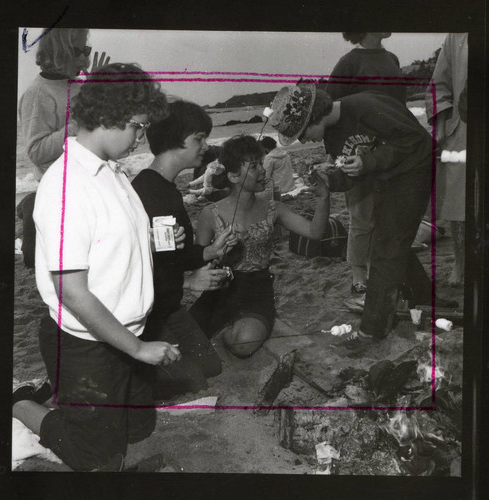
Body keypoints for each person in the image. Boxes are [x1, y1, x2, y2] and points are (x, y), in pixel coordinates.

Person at [12, 63, 180, 472]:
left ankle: (71, 404)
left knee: (138, 429)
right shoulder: (68, 186)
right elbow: (72, 291)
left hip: (125, 333)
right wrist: (139, 349)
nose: (142, 137)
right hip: (86, 342)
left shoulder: (111, 171)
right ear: (108, 117)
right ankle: (21, 405)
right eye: (139, 127)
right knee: (97, 461)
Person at [267, 82, 457, 349]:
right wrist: (329, 178)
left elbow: (416, 141)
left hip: (415, 171)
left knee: (386, 247)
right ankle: (424, 297)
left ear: (314, 117)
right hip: (386, 178)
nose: (303, 141)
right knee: (387, 238)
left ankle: (372, 331)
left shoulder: (366, 108)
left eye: (302, 133)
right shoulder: (331, 135)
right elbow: (351, 177)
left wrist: (368, 163)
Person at [189, 135, 329, 358]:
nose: (263, 171)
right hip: (220, 290)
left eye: (261, 163)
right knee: (185, 341)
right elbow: (197, 261)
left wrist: (323, 198)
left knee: (243, 344)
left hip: (258, 289)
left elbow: (315, 232)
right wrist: (216, 252)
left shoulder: (275, 208)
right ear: (233, 175)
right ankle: (223, 328)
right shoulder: (210, 214)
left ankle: (224, 335)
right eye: (254, 166)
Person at [131, 100, 237, 397]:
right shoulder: (148, 194)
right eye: (199, 139)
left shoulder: (165, 188)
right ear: (174, 140)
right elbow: (141, 268)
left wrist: (209, 251)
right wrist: (188, 282)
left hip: (167, 306)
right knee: (193, 380)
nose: (206, 146)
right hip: (147, 314)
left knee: (210, 367)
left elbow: (170, 254)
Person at [17, 28, 110, 268]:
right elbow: (36, 151)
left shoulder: (77, 86)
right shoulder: (37, 94)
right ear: (58, 53)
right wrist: (76, 123)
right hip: (61, 190)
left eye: (86, 51)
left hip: (85, 183)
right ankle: (30, 205)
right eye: (78, 52)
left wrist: (95, 91)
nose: (84, 59)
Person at [323, 32, 406, 299]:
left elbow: (399, 108)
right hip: (357, 150)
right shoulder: (348, 63)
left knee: (387, 216)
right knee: (361, 217)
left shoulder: (391, 58)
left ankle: (377, 271)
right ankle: (358, 277)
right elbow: (329, 113)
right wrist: (336, 157)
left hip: (390, 151)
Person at [425, 33, 467, 287]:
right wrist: (440, 128)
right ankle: (461, 262)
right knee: (458, 200)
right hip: (463, 128)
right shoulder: (457, 35)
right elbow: (440, 85)